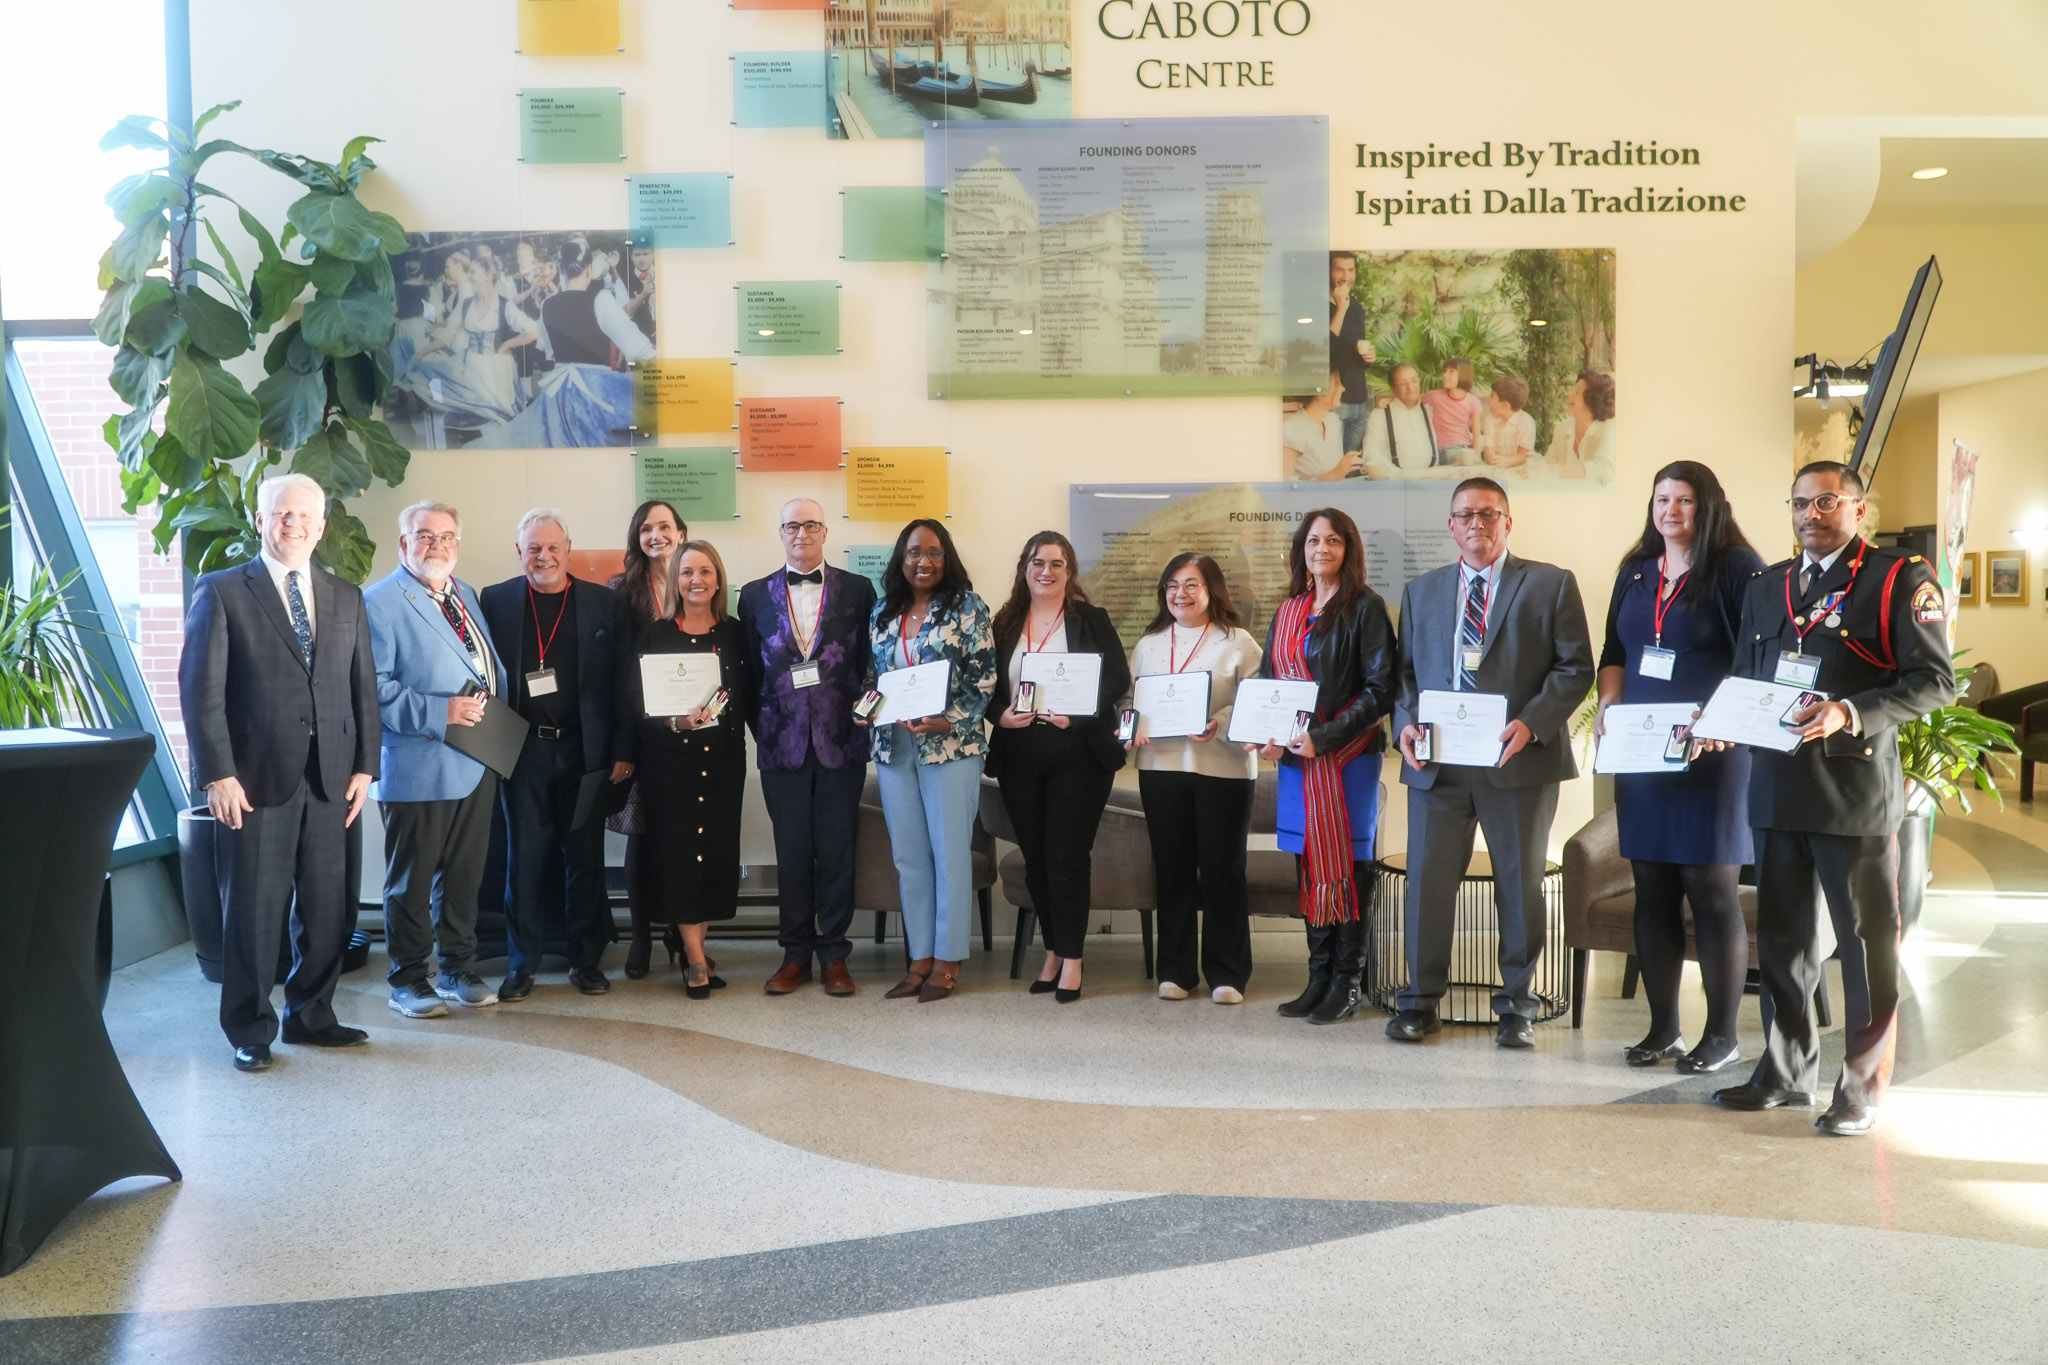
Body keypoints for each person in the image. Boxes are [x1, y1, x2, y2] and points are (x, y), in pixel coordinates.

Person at [1714, 461, 1954, 1136]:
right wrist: (1716, 726)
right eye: (1798, 504)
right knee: (1784, 939)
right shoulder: (1768, 586)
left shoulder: (1897, 579)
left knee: (1864, 942)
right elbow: (1747, 676)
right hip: (1777, 786)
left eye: (1825, 502)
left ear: (1858, 508)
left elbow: (1935, 681)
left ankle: (1862, 1085)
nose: (1809, 515)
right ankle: (1786, 1070)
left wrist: (1849, 710)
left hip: (1852, 789)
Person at [178, 473, 379, 1072]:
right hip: (255, 782)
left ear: (322, 527)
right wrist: (218, 774)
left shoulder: (346, 595)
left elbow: (361, 688)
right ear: (261, 520)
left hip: (332, 779)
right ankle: (249, 1027)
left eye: (305, 516)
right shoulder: (221, 591)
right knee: (255, 911)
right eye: (281, 513)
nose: (293, 523)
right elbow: (200, 692)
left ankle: (312, 1015)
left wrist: (365, 766)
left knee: (329, 911)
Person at [1390, 477, 1595, 1048]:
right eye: (1465, 515)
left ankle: (1517, 1006)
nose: (1476, 524)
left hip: (1517, 763)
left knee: (1519, 885)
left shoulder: (1550, 584)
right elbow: (1404, 675)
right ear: (1451, 526)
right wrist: (1405, 722)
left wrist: (1532, 723)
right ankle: (1419, 1002)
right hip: (1438, 768)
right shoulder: (1420, 591)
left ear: (1508, 522)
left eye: (1488, 514)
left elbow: (1575, 667)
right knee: (1428, 884)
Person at [1594, 463, 1765, 1073]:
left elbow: (1760, 655)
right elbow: (1614, 651)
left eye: (1685, 500)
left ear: (1709, 505)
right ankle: (1662, 1028)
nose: (1671, 511)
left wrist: (1723, 719)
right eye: (1662, 498)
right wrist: (1609, 699)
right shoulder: (1636, 571)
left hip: (1713, 755)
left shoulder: (1738, 569)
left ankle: (1722, 1034)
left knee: (1711, 891)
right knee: (1653, 890)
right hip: (1644, 752)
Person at [478, 509, 636, 1001]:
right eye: (533, 549)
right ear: (519, 552)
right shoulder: (496, 600)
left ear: (568, 549)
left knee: (584, 862)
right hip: (522, 751)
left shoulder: (604, 604)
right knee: (522, 861)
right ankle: (521, 965)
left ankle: (584, 961)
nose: (543, 556)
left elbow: (624, 682)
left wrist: (623, 749)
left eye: (552, 548)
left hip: (585, 753)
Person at [365, 500, 509, 1018]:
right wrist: (439, 710)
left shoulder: (464, 593)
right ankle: (408, 979)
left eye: (447, 536)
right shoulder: (378, 602)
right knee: (412, 879)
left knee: (464, 876)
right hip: (419, 761)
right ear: (404, 543)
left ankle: (458, 970)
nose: (437, 546)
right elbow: (373, 689)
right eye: (425, 536)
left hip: (475, 760)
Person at [1254, 512, 1397, 1024]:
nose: (1322, 548)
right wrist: (1269, 737)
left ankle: (1347, 982)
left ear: (1348, 549)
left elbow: (1382, 690)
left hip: (1349, 757)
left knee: (1350, 871)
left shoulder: (1366, 608)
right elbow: (1271, 681)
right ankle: (1316, 978)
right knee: (1308, 865)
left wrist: (1323, 738)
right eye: (1313, 540)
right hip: (1297, 764)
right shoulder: (1290, 610)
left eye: (1333, 540)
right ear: (1302, 550)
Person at [739, 498, 879, 996]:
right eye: (791, 525)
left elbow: (870, 664)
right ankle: (794, 954)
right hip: (782, 750)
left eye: (811, 524)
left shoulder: (860, 590)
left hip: (842, 744)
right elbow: (750, 676)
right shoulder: (753, 596)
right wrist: (768, 731)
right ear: (780, 533)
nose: (801, 533)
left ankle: (835, 956)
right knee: (792, 852)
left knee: (837, 853)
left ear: (825, 531)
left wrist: (864, 721)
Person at [989, 531, 1132, 1004]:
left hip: (1080, 756)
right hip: (1020, 757)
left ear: (1069, 571)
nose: (1045, 572)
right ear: (1024, 569)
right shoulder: (1006, 621)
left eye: (1056, 563)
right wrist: (1000, 715)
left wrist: (1081, 710)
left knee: (1067, 860)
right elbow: (986, 686)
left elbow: (1116, 677)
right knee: (1037, 862)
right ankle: (1052, 949)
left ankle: (1072, 958)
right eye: (1037, 562)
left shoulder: (1091, 619)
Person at [1124, 553, 1265, 1004]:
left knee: (1223, 871)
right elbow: (1130, 699)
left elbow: (1255, 699)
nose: (1179, 594)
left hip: (1222, 768)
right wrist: (1129, 729)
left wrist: (1219, 721)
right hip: (1161, 769)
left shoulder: (1237, 641)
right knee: (1172, 871)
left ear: (1212, 590)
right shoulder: (1149, 643)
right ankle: (1176, 971)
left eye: (1191, 585)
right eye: (1172, 585)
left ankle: (1228, 974)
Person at [865, 520, 996, 1003]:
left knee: (949, 853)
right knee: (909, 857)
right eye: (915, 552)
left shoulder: (968, 607)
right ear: (901, 558)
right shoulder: (882, 611)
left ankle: (948, 958)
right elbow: (871, 678)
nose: (924, 561)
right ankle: (918, 956)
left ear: (948, 557)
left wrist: (952, 720)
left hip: (950, 750)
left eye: (934, 552)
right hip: (894, 749)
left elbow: (984, 680)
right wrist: (865, 712)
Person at [630, 541, 751, 998]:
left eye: (704, 571)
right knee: (680, 857)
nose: (695, 580)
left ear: (718, 579)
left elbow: (753, 695)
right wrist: (675, 721)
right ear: (675, 582)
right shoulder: (655, 636)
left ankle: (695, 948)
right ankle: (696, 959)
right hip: (670, 764)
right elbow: (637, 705)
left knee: (712, 856)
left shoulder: (737, 635)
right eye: (686, 573)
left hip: (722, 764)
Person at [605, 499, 686, 978]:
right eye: (646, 529)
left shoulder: (699, 578)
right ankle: (641, 938)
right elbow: (614, 672)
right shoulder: (620, 590)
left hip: (690, 734)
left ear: (680, 533)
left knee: (682, 834)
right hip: (641, 731)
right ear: (637, 538)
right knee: (641, 835)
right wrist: (622, 744)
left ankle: (681, 931)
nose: (656, 535)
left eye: (664, 527)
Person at [1327, 251, 1377, 453]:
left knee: (1350, 467)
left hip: (1359, 401)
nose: (1346, 277)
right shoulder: (1318, 306)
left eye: (1351, 270)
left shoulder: (1356, 307)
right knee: (1332, 463)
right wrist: (1340, 308)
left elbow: (1352, 349)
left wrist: (1368, 358)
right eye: (1339, 270)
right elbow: (1325, 352)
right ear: (1328, 272)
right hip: (1334, 403)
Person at [1360, 363, 1441, 475]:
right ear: (1392, 388)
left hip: (1432, 482)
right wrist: (1398, 475)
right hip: (1395, 484)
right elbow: (1370, 455)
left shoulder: (1431, 411)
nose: (1410, 387)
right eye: (1403, 383)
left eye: (1414, 381)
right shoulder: (1380, 415)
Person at [1281, 374, 1360, 481]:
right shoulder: (1292, 428)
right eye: (1337, 384)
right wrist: (1335, 474)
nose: (1343, 388)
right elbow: (1287, 489)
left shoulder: (1333, 420)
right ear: (1320, 391)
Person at [1540, 370, 1615, 482]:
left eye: (1577, 392)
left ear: (1593, 400)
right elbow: (1548, 463)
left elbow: (1603, 469)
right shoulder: (1563, 428)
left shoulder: (1608, 429)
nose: (1569, 394)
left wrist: (1556, 471)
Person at [1420, 358, 1485, 465]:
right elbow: (1411, 399)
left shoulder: (1473, 401)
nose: (1445, 375)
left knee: (1480, 474)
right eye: (1445, 371)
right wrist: (1388, 399)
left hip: (1467, 448)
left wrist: (1476, 457)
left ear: (1464, 375)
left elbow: (1476, 435)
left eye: (1451, 372)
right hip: (1447, 450)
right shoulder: (1435, 396)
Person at [1480, 375, 1536, 470]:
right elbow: (1489, 449)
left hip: (1520, 470)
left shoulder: (1526, 422)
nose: (1488, 399)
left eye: (1492, 396)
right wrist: (1490, 457)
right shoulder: (1490, 419)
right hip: (1496, 469)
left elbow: (1524, 455)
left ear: (1505, 405)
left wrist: (1508, 461)